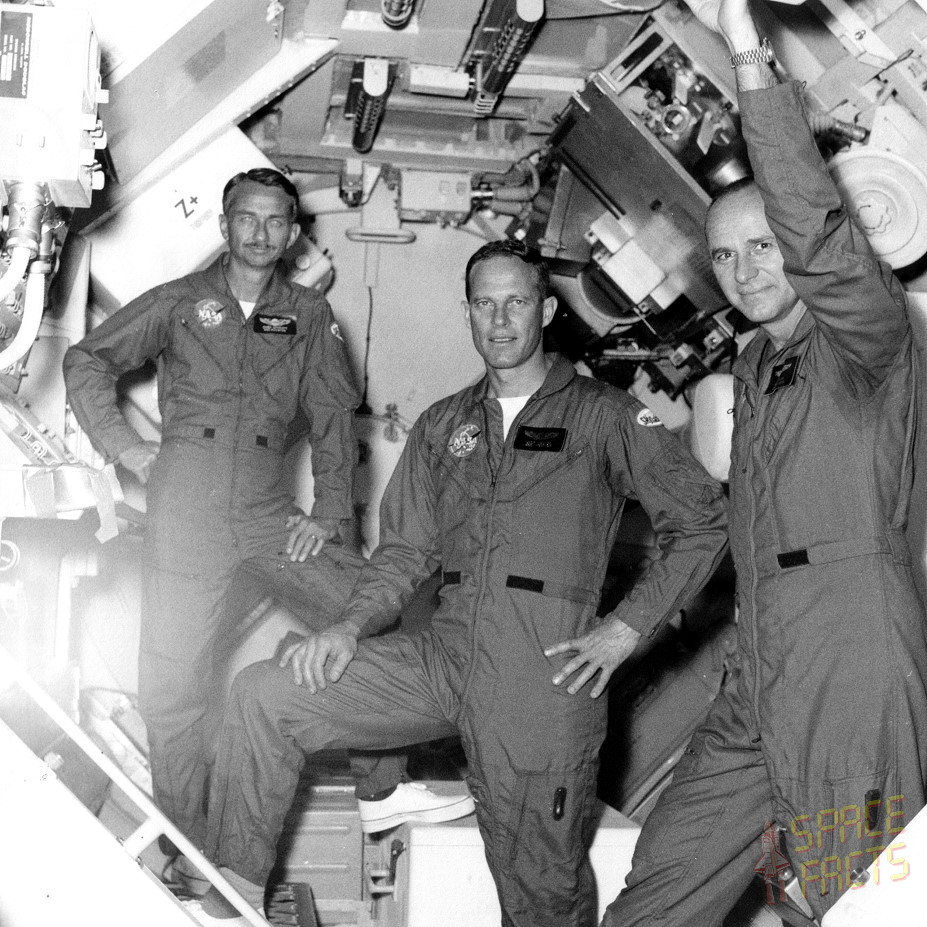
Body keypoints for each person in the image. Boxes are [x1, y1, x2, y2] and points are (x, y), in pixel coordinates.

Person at [187, 238, 728, 926]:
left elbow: (703, 522)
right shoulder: (445, 425)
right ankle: (231, 901)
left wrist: (625, 629)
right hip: (444, 655)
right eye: (483, 304)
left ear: (546, 310)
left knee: (538, 891)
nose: (499, 320)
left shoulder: (605, 415)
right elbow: (403, 552)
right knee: (267, 692)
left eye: (516, 302)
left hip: (540, 673)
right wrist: (347, 627)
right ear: (467, 312)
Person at [601, 1, 927, 923]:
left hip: (850, 651)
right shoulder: (751, 364)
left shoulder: (865, 339)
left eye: (762, 246)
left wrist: (743, 46)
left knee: (851, 896)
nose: (744, 270)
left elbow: (819, 236)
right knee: (663, 878)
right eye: (724, 257)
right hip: (762, 654)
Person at [62, 168, 471, 887]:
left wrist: (330, 519)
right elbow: (86, 359)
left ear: (293, 234)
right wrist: (125, 447)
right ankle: (189, 849)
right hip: (185, 507)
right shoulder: (179, 302)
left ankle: (380, 788)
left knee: (373, 604)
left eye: (275, 221)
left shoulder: (308, 315)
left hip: (265, 513)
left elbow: (334, 421)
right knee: (173, 692)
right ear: (225, 226)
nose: (260, 233)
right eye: (246, 219)